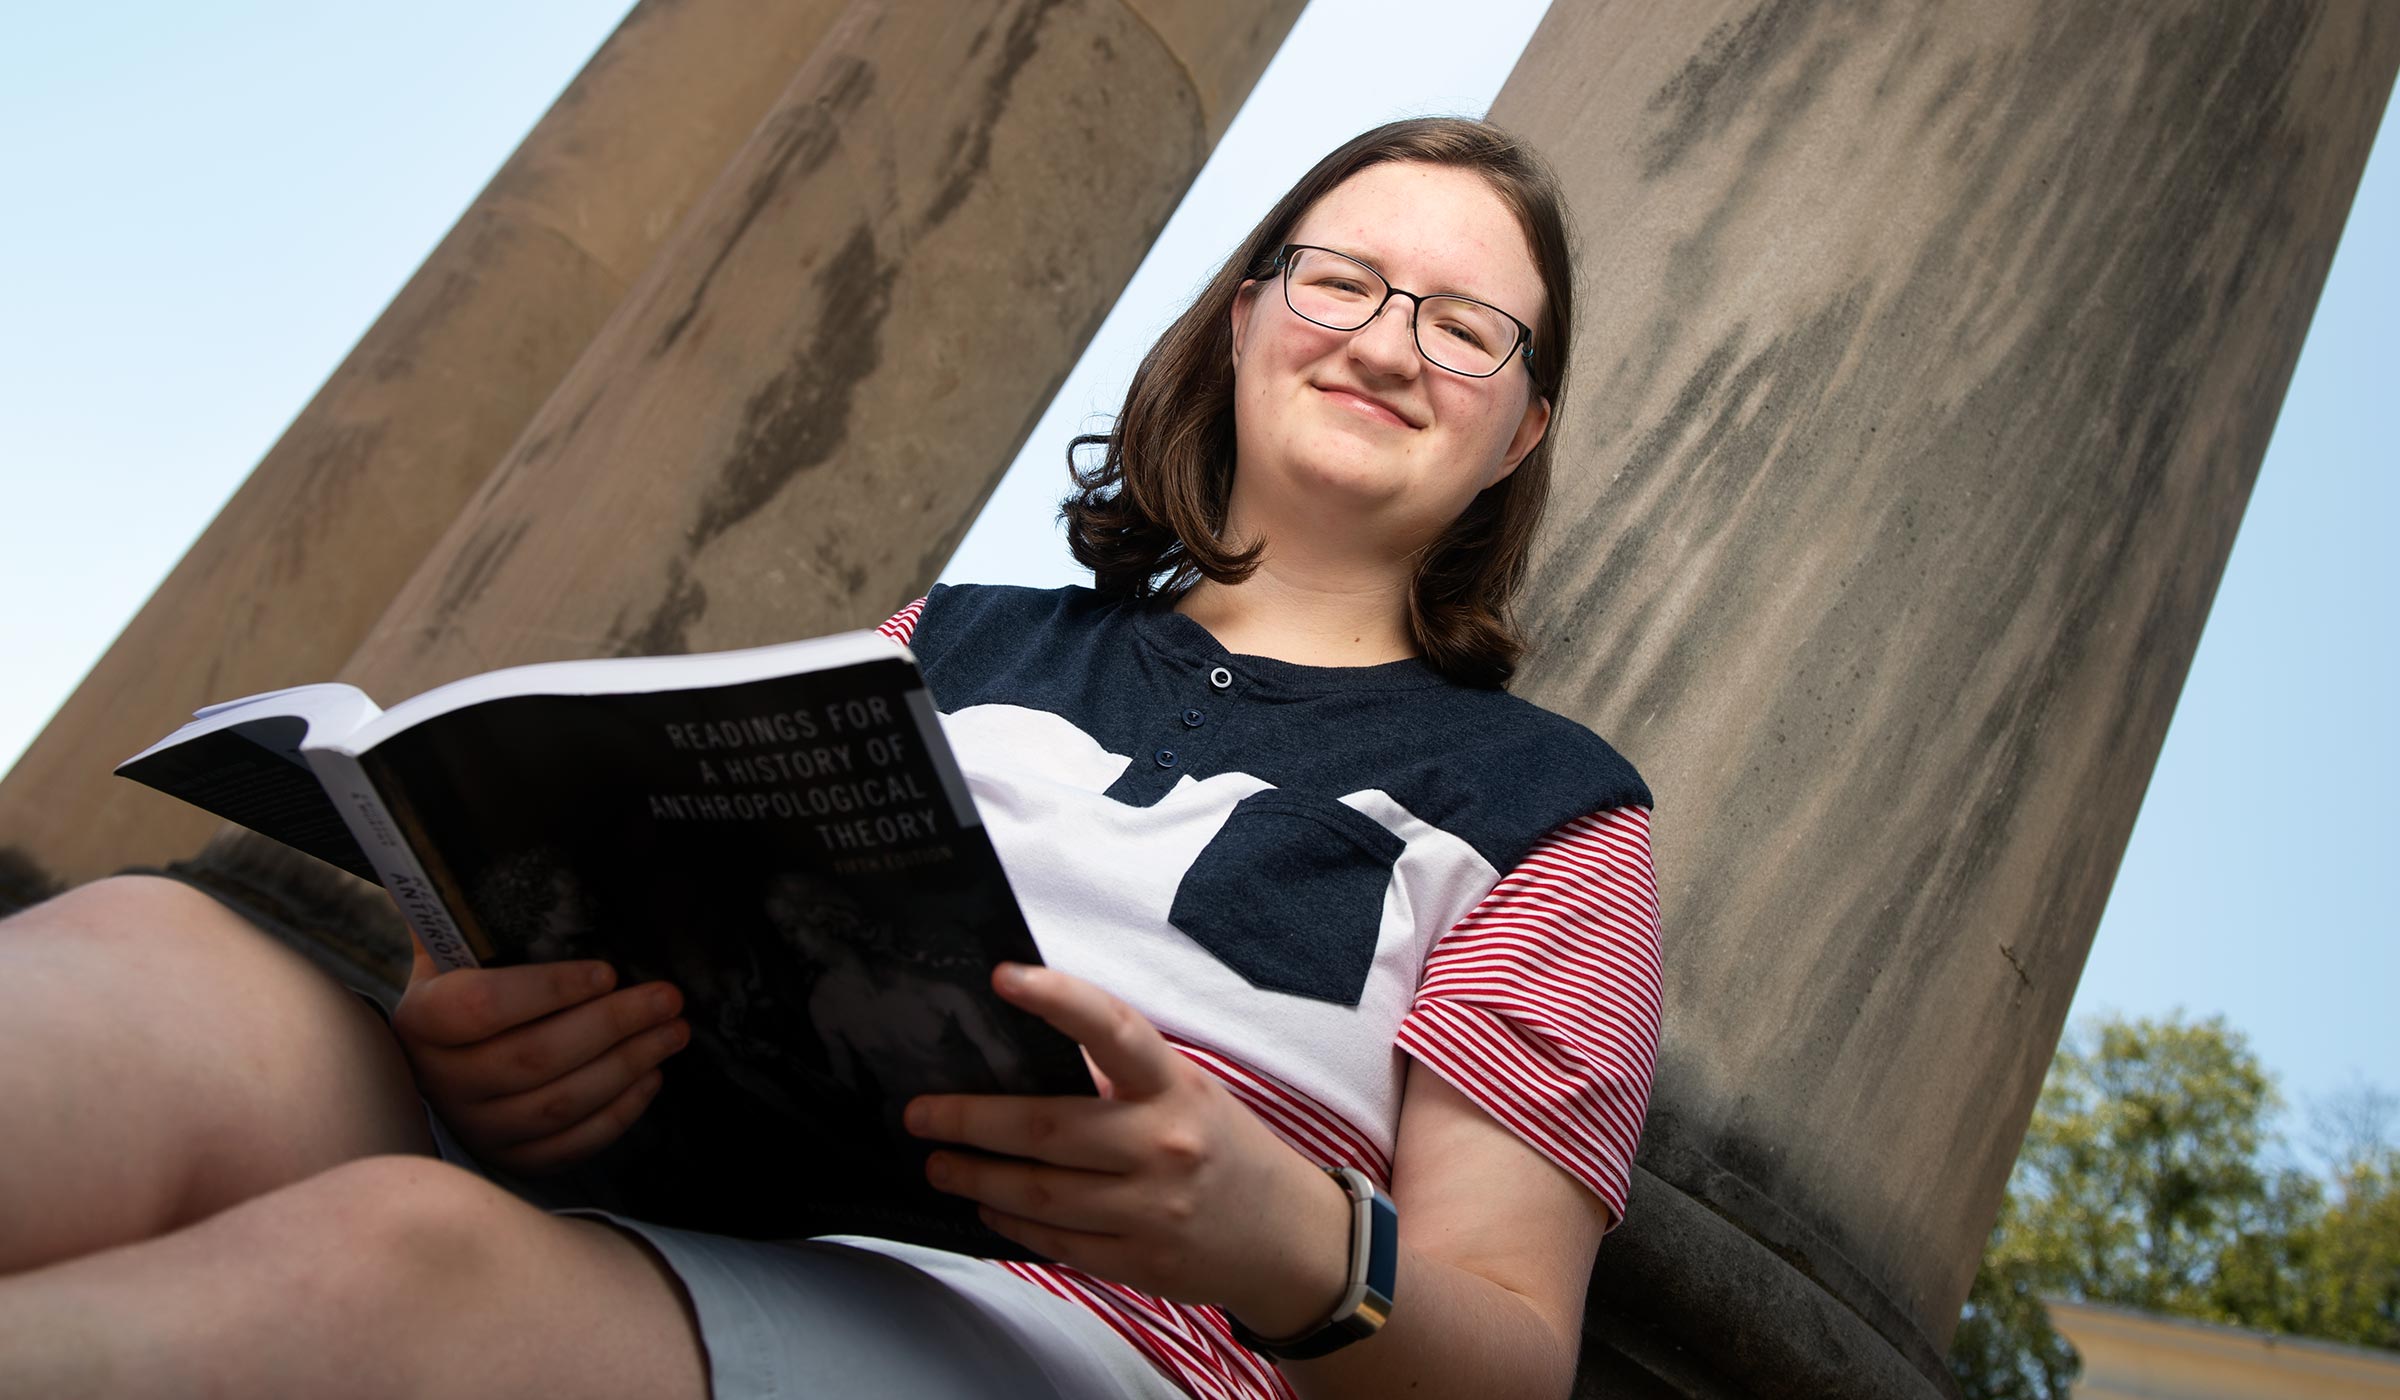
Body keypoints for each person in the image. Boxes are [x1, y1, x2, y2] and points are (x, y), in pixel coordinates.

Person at [0, 116, 1661, 1400]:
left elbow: (1512, 1352)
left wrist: (1274, 1226)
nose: (1382, 343)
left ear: (1517, 433)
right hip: (691, 1180)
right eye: (1342, 280)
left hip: (1083, 1325)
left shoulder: (1553, 811)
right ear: (1245, 320)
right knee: (154, 958)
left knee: (398, 1268)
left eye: (1464, 328)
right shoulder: (956, 637)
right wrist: (491, 1019)